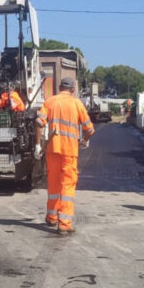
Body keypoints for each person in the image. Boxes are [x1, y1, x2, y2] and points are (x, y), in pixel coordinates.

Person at [34, 77, 94, 235]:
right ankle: (64, 224)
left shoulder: (50, 101)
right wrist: (85, 141)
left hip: (52, 150)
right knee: (67, 185)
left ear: (59, 87)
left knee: (53, 184)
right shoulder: (76, 103)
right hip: (69, 151)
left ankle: (52, 217)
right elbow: (89, 129)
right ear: (73, 89)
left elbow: (39, 123)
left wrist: (37, 145)